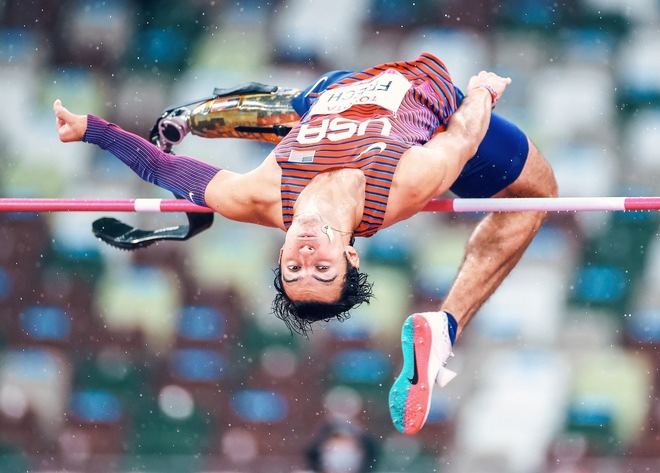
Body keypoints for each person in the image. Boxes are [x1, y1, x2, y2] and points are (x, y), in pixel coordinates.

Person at [54, 52, 558, 435]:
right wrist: (482, 93)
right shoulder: (400, 185)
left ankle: (198, 114)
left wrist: (92, 130)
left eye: (295, 271)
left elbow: (164, 168)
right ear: (351, 254)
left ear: (281, 254)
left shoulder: (262, 196)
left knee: (298, 106)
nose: (307, 258)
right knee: (536, 197)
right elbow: (462, 139)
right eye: (323, 270)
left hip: (329, 96)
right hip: (433, 99)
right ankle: (443, 327)